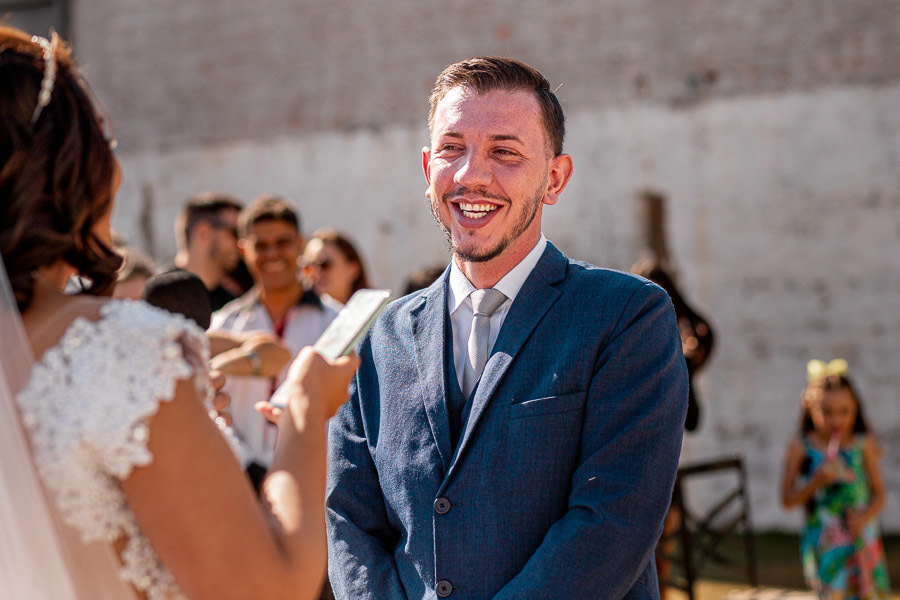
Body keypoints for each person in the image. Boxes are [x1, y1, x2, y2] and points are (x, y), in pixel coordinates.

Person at [0, 26, 357, 600]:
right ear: (71, 168)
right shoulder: (115, 347)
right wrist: (306, 408)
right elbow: (273, 588)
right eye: (105, 142)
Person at [326, 56, 688, 600]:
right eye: (452, 148)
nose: (472, 172)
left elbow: (615, 518)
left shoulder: (628, 316)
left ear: (554, 178)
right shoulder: (377, 339)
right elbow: (350, 524)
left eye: (505, 151)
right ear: (428, 171)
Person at [211, 195, 337, 488]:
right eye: (261, 245)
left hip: (321, 486)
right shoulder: (224, 323)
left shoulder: (337, 323)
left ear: (300, 244)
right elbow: (211, 408)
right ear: (244, 249)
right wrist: (245, 465)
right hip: (242, 488)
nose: (273, 254)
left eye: (283, 243)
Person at [781, 359, 890, 600]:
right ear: (809, 407)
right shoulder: (801, 448)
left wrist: (863, 517)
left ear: (856, 408)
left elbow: (880, 493)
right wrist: (816, 482)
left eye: (844, 411)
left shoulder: (863, 445)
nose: (836, 420)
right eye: (826, 412)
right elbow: (787, 501)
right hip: (824, 544)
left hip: (863, 539)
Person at [172, 191, 244, 311]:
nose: (241, 243)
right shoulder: (155, 294)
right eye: (235, 233)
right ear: (203, 233)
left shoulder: (232, 304)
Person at [302, 227, 370, 307]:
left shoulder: (378, 314)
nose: (314, 273)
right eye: (308, 267)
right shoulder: (295, 314)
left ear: (353, 269)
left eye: (324, 264)